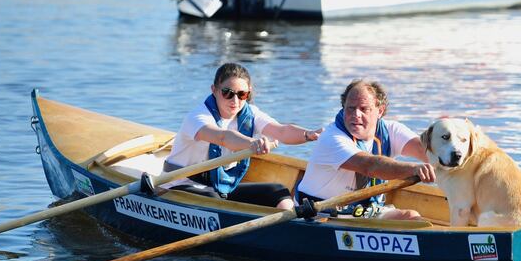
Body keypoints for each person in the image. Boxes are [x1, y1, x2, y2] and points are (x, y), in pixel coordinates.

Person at [164, 63, 322, 210]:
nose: (235, 101)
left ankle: (289, 226)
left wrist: (308, 135)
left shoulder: (251, 114)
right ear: (214, 90)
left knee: (278, 191)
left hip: (222, 186)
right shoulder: (198, 117)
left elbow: (281, 131)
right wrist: (252, 143)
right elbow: (223, 138)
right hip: (182, 183)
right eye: (227, 93)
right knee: (214, 201)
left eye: (242, 94)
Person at [296, 79, 436, 220]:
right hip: (318, 214)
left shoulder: (392, 131)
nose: (356, 114)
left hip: (363, 212)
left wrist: (451, 162)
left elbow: (425, 151)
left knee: (411, 217)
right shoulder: (332, 138)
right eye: (350, 108)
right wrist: (414, 169)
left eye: (364, 109)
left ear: (379, 111)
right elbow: (370, 166)